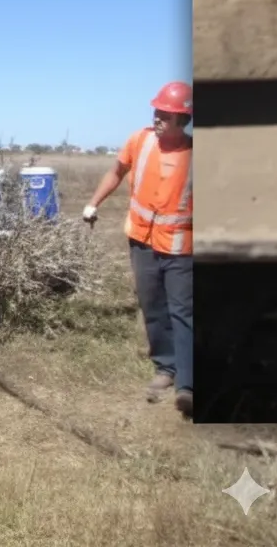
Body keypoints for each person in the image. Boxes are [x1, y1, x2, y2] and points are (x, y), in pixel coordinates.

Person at [82, 81, 194, 417]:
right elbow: (116, 172)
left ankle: (187, 385)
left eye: (165, 114)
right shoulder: (140, 141)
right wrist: (93, 203)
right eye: (157, 111)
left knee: (183, 312)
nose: (157, 117)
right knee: (153, 306)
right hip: (142, 242)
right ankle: (165, 368)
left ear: (182, 119)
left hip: (181, 248)